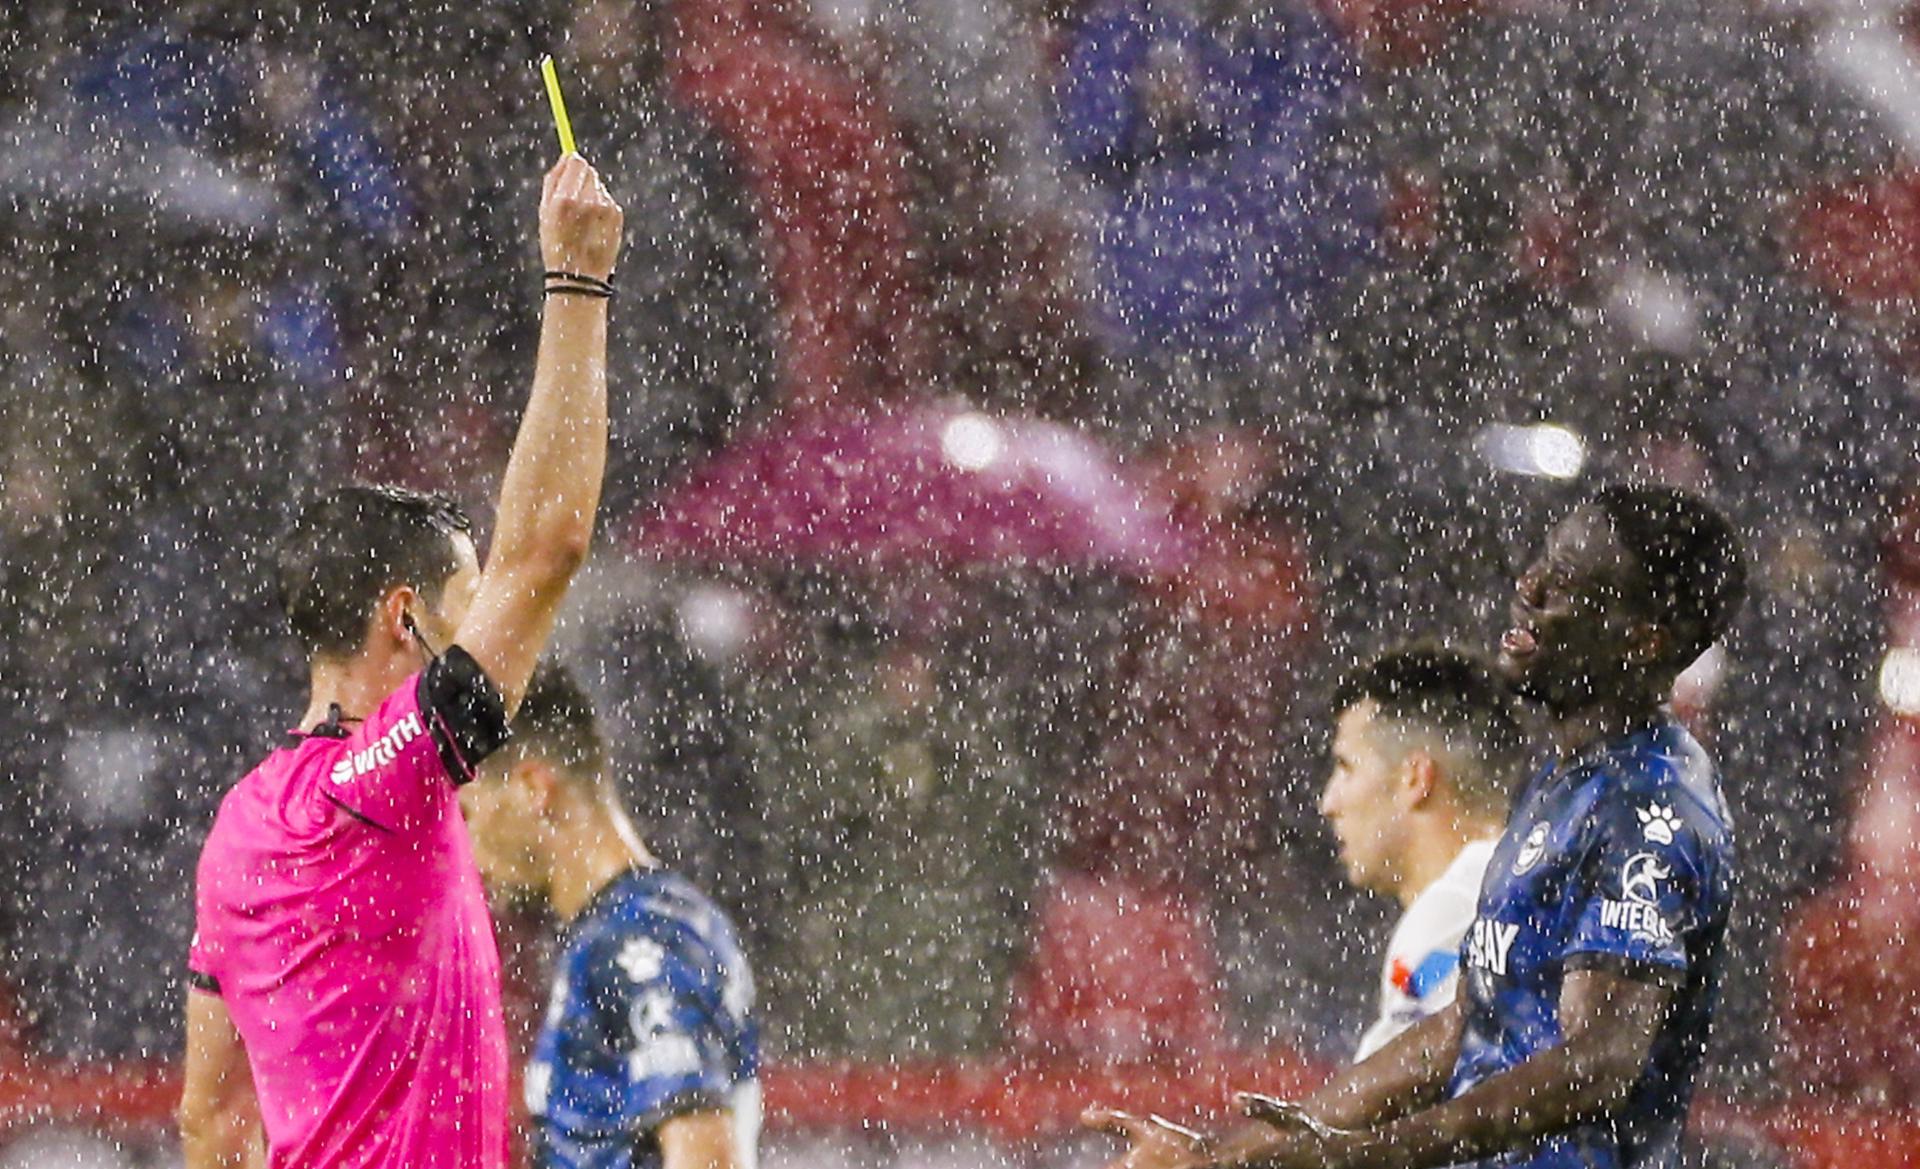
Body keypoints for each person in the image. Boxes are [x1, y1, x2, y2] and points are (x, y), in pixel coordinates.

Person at [176, 153, 624, 1169]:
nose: (483, 632)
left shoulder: (235, 828)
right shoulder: (391, 780)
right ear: (402, 618)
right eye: (464, 606)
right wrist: (578, 282)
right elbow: (547, 548)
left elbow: (213, 1120)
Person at [1087, 483, 1747, 1169]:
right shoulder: (1568, 779)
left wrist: (1356, 1157)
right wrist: (1237, 1152)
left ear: (1641, 639)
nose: (1531, 583)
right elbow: (1468, 1022)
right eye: (1542, 561)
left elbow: (1596, 1064)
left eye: (1570, 582)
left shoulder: (1651, 809)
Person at [461, 663, 760, 1169]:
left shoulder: (640, 943)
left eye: (468, 814)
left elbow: (707, 1158)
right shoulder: (630, 929)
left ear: (535, 788)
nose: (465, 847)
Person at [1322, 648, 1520, 1061]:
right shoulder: (1525, 884)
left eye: (1346, 767)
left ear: (1415, 778)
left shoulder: (1455, 911)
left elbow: (1390, 1107)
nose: (1329, 801)